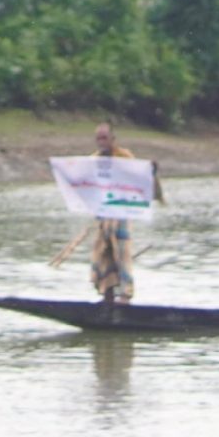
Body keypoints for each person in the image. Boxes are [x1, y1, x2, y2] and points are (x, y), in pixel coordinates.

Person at [83, 122, 161, 303]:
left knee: (122, 254)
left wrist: (150, 171)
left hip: (121, 214)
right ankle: (107, 294)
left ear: (112, 139)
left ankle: (126, 294)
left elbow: (138, 180)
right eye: (98, 138)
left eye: (104, 138)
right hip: (103, 216)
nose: (101, 142)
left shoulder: (124, 157)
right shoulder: (93, 161)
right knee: (102, 254)